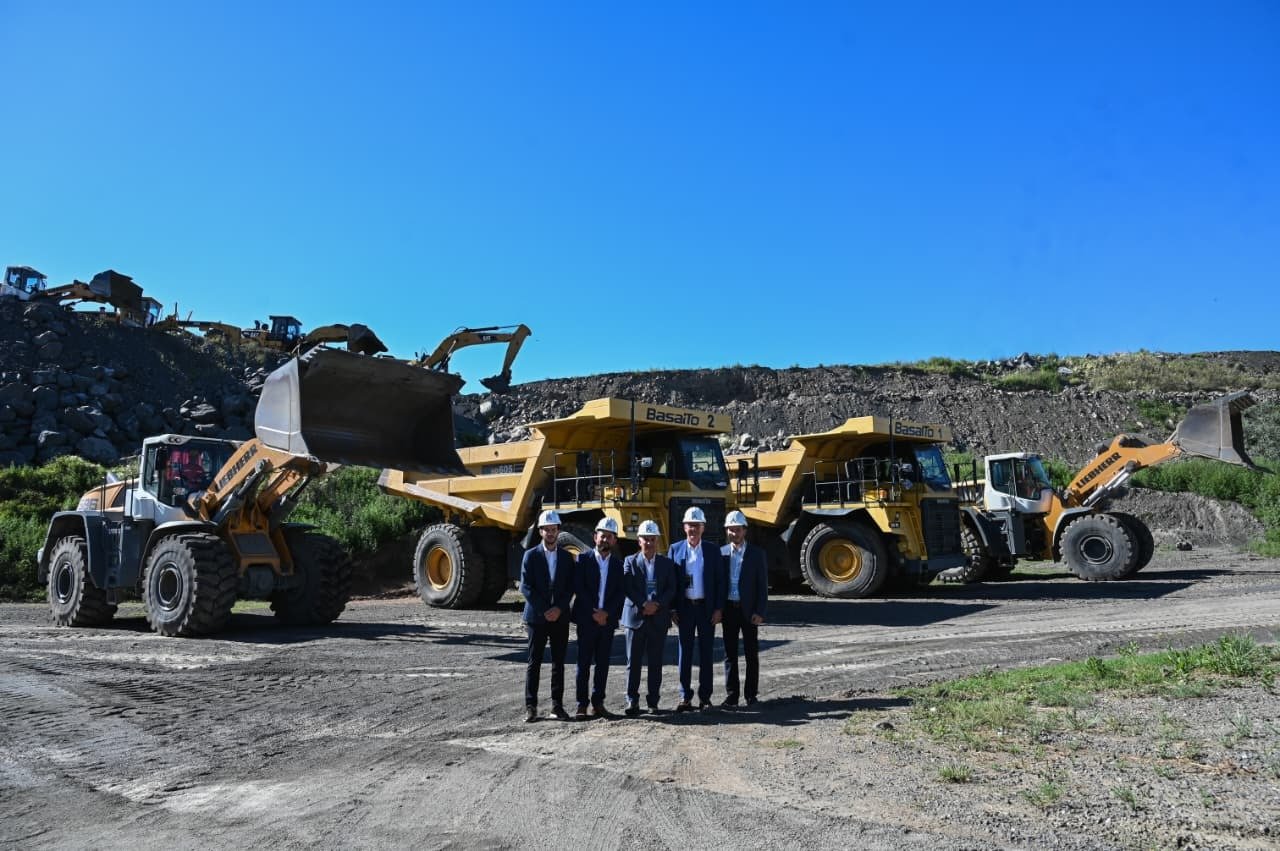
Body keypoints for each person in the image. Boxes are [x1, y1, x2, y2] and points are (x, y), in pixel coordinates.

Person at [519, 509, 575, 723]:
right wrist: (545, 609)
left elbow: (570, 587)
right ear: (540, 531)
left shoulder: (567, 557)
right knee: (534, 662)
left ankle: (557, 706)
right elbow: (526, 587)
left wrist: (559, 608)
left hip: (560, 617)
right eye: (547, 530)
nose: (551, 533)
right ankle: (531, 707)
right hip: (537, 617)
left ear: (558, 530)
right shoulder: (531, 555)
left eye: (554, 529)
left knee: (559, 663)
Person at [668, 506, 724, 710]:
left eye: (696, 525)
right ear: (684, 527)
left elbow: (720, 582)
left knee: (706, 654)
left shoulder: (712, 550)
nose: (693, 529)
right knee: (685, 653)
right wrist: (672, 609)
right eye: (690, 525)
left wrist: (718, 609)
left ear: (703, 528)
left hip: (705, 609)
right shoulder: (675, 549)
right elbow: (670, 582)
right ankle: (685, 696)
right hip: (685, 609)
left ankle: (705, 697)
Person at [620, 519, 677, 716]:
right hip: (636, 618)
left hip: (658, 619)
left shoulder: (666, 564)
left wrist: (657, 605)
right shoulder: (629, 561)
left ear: (657, 540)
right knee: (633, 663)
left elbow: (671, 588)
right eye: (646, 539)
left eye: (653, 539)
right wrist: (644, 604)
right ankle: (632, 701)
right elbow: (627, 587)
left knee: (655, 663)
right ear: (639, 541)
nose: (649, 543)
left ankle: (653, 702)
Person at [571, 517, 626, 719]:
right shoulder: (583, 560)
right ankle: (581, 705)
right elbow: (579, 588)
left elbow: (620, 593)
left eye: (609, 537)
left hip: (606, 622)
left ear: (614, 541)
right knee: (583, 663)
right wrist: (594, 612)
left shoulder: (619, 565)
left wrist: (606, 613)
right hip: (587, 619)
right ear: (595, 537)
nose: (605, 540)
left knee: (602, 664)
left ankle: (598, 703)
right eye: (602, 536)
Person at [720, 510, 768, 707]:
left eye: (737, 530)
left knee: (751, 654)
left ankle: (751, 695)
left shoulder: (757, 554)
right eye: (731, 530)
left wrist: (760, 611)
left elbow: (762, 586)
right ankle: (732, 696)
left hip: (748, 611)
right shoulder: (721, 553)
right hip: (729, 610)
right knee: (730, 654)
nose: (734, 533)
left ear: (744, 530)